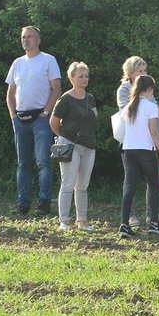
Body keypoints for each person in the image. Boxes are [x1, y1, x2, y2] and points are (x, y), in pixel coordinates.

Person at [6, 26, 62, 216]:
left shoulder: (48, 60)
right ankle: (23, 204)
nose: (26, 40)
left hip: (40, 118)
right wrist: (13, 116)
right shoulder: (17, 63)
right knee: (23, 164)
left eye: (30, 37)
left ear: (38, 40)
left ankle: (44, 202)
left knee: (43, 162)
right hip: (20, 119)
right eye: (23, 37)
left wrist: (46, 112)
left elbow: (56, 89)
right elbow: (10, 94)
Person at [119, 75, 159, 238]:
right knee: (153, 184)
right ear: (149, 89)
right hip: (147, 150)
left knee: (129, 186)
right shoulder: (150, 107)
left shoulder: (128, 107)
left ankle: (124, 224)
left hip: (129, 150)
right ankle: (154, 222)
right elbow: (154, 132)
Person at [49, 62, 98, 232]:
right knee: (68, 183)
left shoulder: (90, 98)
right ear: (71, 78)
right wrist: (63, 138)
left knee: (83, 185)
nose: (84, 79)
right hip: (70, 144)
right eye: (80, 76)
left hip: (89, 145)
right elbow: (53, 122)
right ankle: (64, 220)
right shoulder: (65, 99)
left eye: (86, 76)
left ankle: (82, 221)